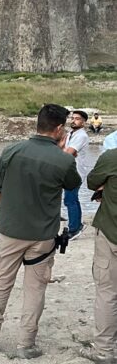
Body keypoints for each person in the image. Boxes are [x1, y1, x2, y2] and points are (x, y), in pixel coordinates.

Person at [0, 104, 81, 359]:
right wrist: (61, 152)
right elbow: (74, 185)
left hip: (10, 231)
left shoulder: (11, 151)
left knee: (0, 285)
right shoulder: (64, 159)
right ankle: (26, 344)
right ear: (58, 129)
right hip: (43, 236)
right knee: (35, 290)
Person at [80, 142, 117, 363]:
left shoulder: (112, 157)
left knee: (107, 292)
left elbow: (92, 181)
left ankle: (104, 350)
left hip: (112, 233)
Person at [62, 110, 90, 240]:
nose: (73, 120)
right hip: (68, 170)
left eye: (77, 119)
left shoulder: (81, 136)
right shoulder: (70, 134)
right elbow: (62, 149)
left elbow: (69, 153)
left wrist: (65, 151)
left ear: (84, 122)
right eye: (72, 118)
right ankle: (76, 224)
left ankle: (74, 228)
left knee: (70, 200)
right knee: (71, 199)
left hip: (76, 172)